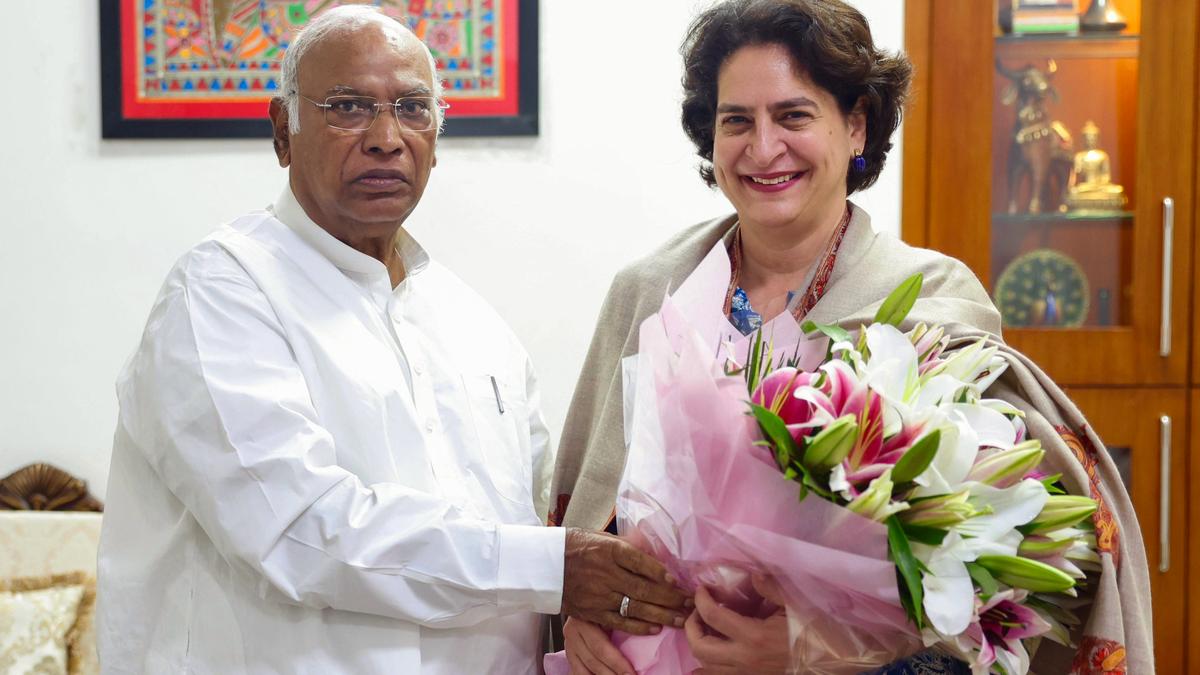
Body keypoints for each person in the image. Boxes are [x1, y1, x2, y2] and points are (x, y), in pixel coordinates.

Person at [549, 1, 1153, 673]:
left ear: (856, 125)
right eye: (736, 121)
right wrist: (581, 614)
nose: (762, 147)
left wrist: (814, 649)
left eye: (794, 115)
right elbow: (580, 519)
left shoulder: (931, 301)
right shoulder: (647, 292)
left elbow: (994, 573)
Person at [96, 7, 688, 674]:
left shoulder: (474, 326)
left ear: (437, 136)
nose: (386, 137)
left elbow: (536, 518)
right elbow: (297, 529)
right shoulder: (222, 291)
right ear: (282, 131)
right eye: (348, 107)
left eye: (412, 108)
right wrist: (555, 567)